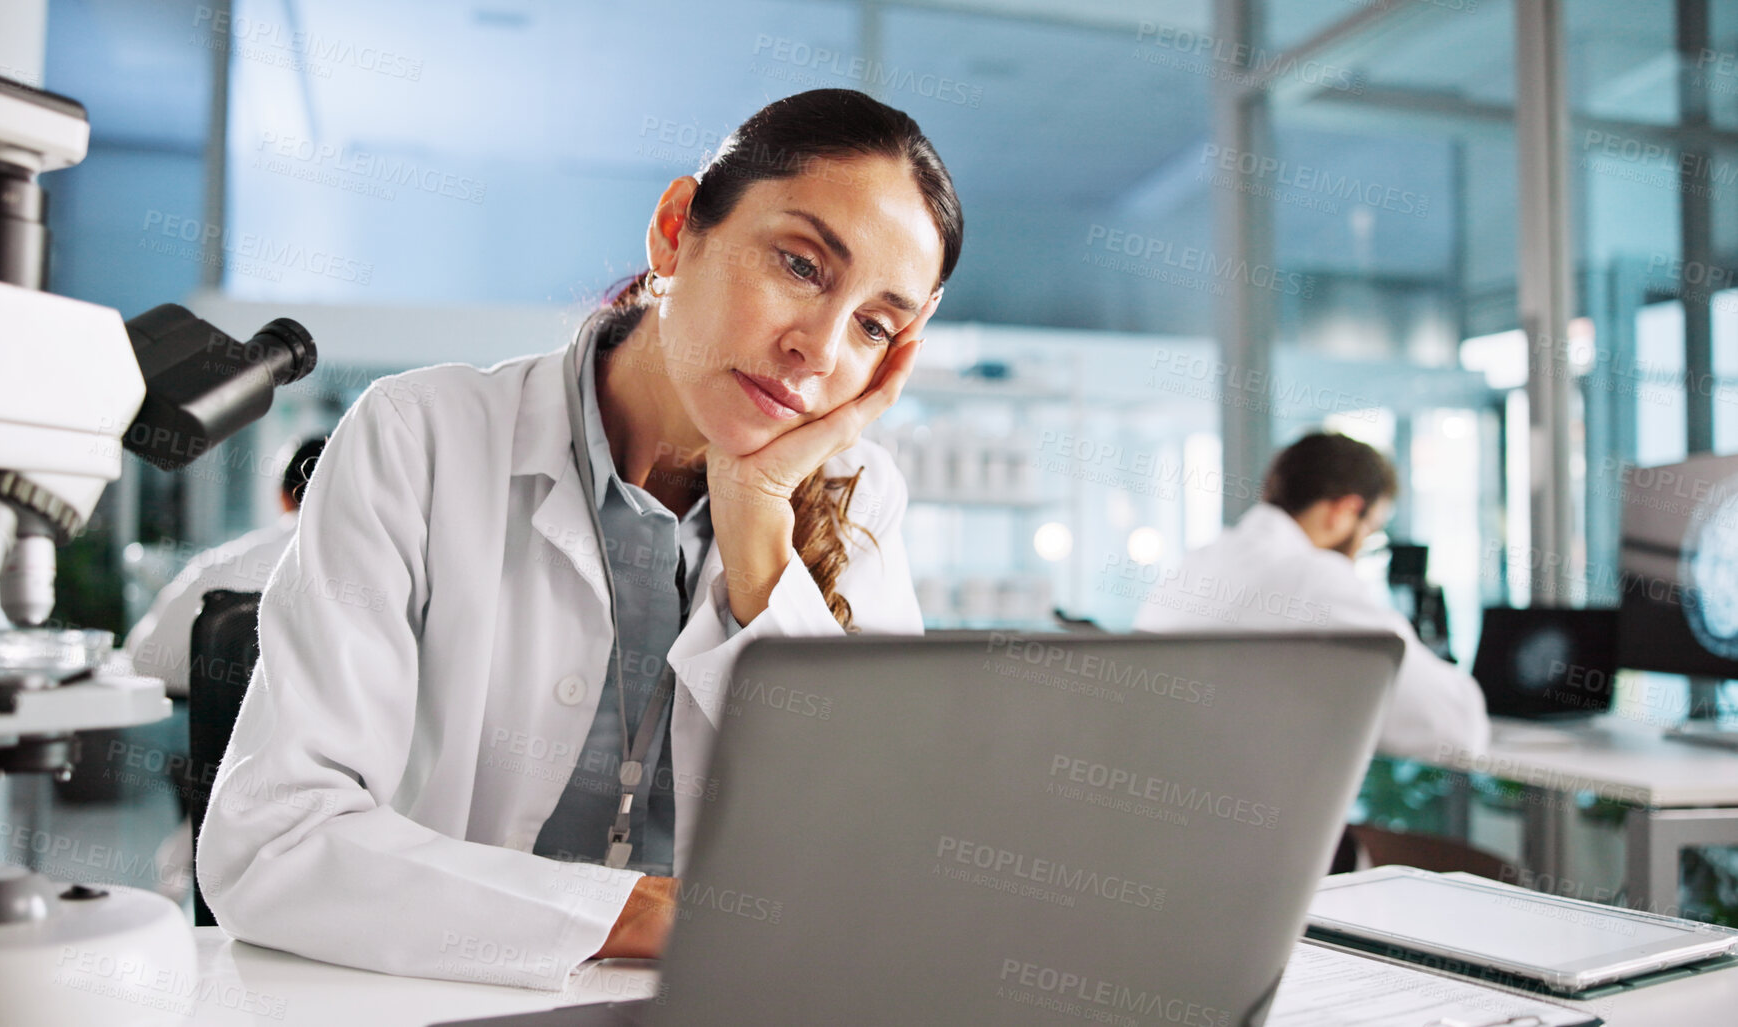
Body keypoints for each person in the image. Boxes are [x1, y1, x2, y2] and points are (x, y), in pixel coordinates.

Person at [195, 88, 959, 987]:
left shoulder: (860, 495)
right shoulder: (421, 436)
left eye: (875, 324)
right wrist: (641, 914)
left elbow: (876, 864)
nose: (821, 348)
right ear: (675, 231)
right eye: (800, 265)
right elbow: (274, 842)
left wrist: (758, 530)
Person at [1131, 431, 1490, 762]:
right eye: (1371, 530)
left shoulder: (1196, 563)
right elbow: (1454, 730)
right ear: (1343, 511)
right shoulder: (1311, 577)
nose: (1364, 545)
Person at [120, 437, 327, 697]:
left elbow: (145, 659)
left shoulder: (221, 567)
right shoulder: (381, 576)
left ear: (283, 498)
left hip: (220, 734)